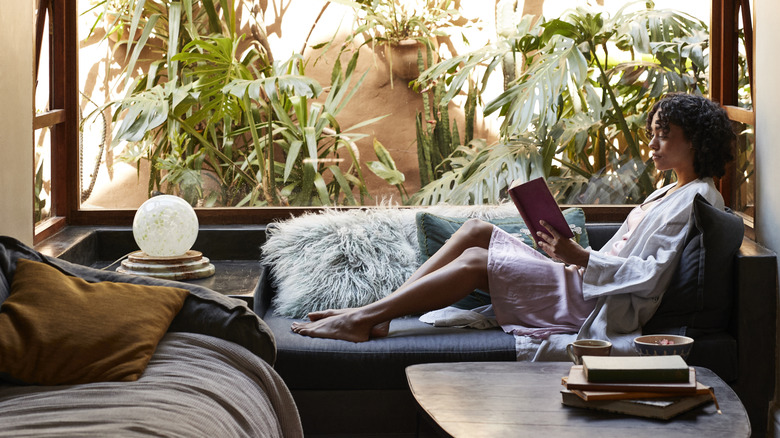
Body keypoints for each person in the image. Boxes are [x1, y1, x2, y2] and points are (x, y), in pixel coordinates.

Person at [291, 93, 736, 352]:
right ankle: (380, 313)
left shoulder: (699, 199)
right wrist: (567, 252)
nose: (653, 145)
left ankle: (361, 320)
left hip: (593, 301)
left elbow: (652, 274)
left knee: (475, 262)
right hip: (583, 279)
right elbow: (624, 252)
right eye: (652, 134)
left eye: (664, 135)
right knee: (476, 230)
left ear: (695, 142)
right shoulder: (668, 191)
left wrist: (581, 258)